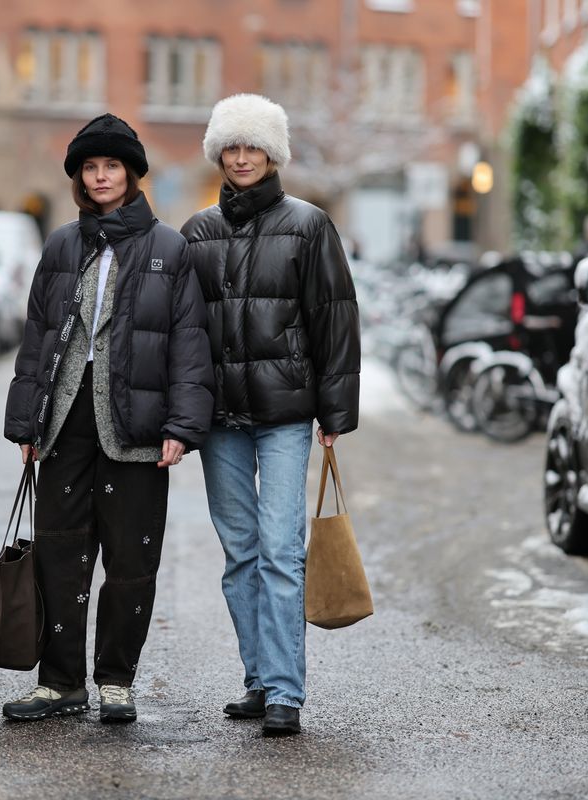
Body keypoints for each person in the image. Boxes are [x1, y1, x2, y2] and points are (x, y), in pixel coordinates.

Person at [2, 113, 214, 724]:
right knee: (58, 553)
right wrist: (26, 423)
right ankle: (60, 683)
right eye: (91, 167)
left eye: (111, 166)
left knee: (131, 559)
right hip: (65, 419)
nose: (100, 176)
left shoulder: (168, 248)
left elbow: (188, 342)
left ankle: (117, 680)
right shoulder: (62, 245)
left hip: (136, 423)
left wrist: (181, 427)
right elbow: (37, 336)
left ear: (131, 174)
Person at [181, 94, 360, 737]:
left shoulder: (309, 225)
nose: (241, 157)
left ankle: (286, 689)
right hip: (219, 417)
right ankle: (258, 678)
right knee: (240, 552)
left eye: (252, 146)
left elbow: (335, 318)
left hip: (285, 411)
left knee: (280, 550)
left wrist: (335, 410)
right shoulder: (197, 233)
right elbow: (183, 331)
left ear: (273, 153)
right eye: (231, 146)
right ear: (218, 154)